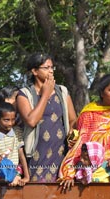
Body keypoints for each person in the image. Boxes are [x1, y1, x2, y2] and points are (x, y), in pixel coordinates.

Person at [58, 74, 110, 189]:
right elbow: (81, 143)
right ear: (102, 93)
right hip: (91, 169)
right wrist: (68, 172)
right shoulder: (89, 113)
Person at [16, 52, 77, 182]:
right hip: (37, 153)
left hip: (60, 151)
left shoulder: (62, 91)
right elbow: (31, 121)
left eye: (52, 67)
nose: (51, 71)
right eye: (46, 68)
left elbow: (73, 119)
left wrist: (72, 132)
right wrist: (45, 94)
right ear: (34, 71)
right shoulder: (24, 94)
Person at [0, 102, 29, 186]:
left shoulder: (17, 132)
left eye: (13, 119)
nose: (10, 123)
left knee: (14, 182)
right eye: (6, 120)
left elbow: (21, 154)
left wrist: (26, 176)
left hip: (13, 171)